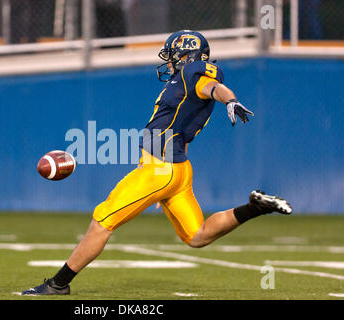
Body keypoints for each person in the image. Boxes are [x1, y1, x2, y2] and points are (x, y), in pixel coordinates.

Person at [21, 30, 292, 296]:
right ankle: (256, 207)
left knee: (102, 220)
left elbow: (213, 87)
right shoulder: (184, 83)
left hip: (159, 170)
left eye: (173, 55)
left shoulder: (195, 74)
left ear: (188, 56)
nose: (169, 61)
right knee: (197, 236)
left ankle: (58, 284)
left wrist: (230, 100)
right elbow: (185, 127)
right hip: (177, 170)